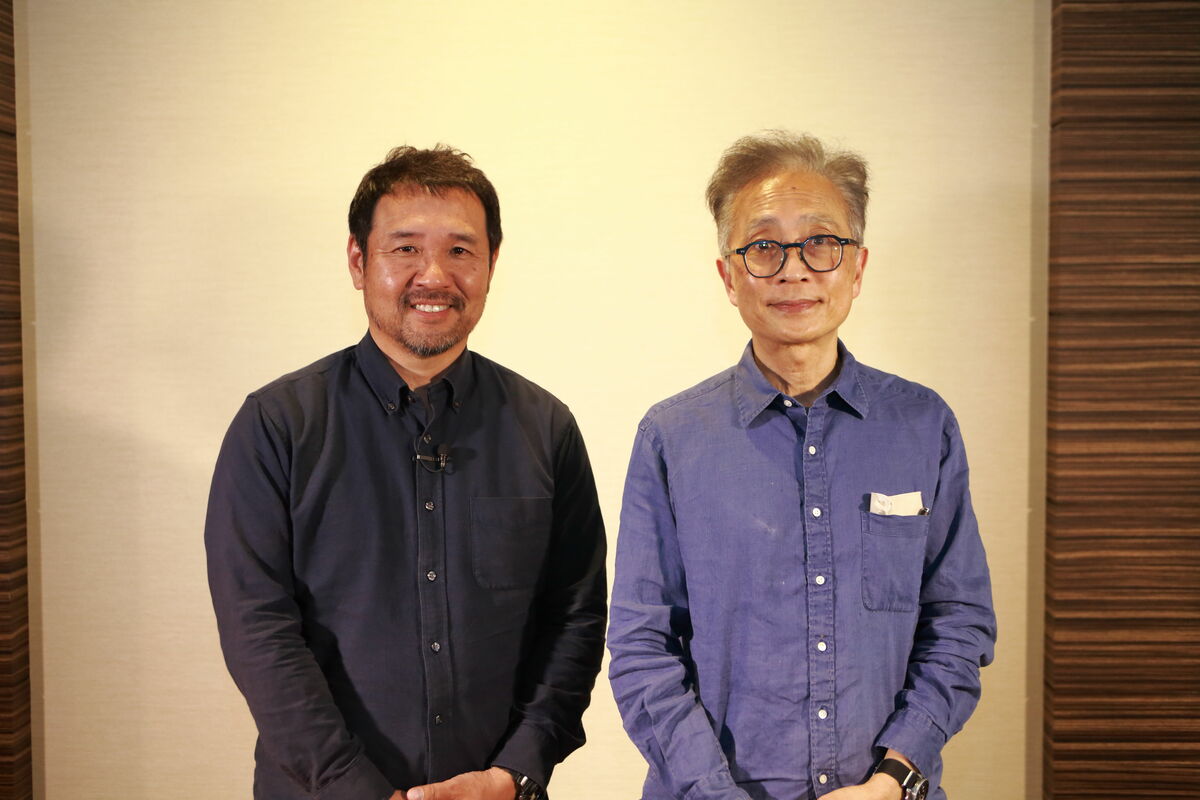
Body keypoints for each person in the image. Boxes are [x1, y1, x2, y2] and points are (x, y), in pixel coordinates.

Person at [205, 145, 606, 800]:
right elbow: (258, 629)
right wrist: (354, 787)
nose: (434, 276)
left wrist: (517, 771)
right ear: (358, 261)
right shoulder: (278, 426)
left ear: (492, 263)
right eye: (405, 248)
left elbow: (576, 616)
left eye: (460, 250)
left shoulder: (547, 428)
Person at [607, 131, 996, 800]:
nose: (794, 271)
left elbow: (959, 623)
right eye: (764, 248)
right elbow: (643, 648)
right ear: (729, 277)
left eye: (821, 242)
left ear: (858, 268)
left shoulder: (922, 425)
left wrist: (893, 779)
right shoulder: (671, 436)